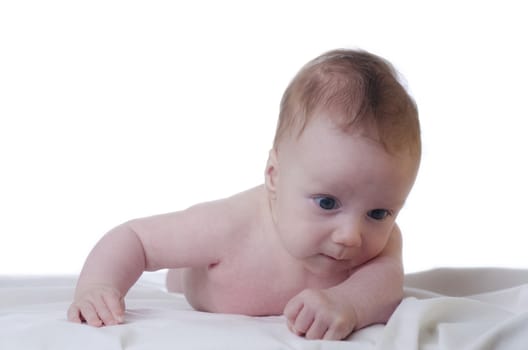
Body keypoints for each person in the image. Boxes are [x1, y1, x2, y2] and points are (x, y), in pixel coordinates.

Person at [67, 48, 421, 340]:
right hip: (203, 276)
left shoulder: (383, 243)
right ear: (274, 176)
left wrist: (348, 303)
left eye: (378, 213)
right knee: (180, 271)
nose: (350, 236)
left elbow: (386, 287)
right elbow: (136, 239)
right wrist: (98, 285)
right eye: (327, 203)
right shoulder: (230, 226)